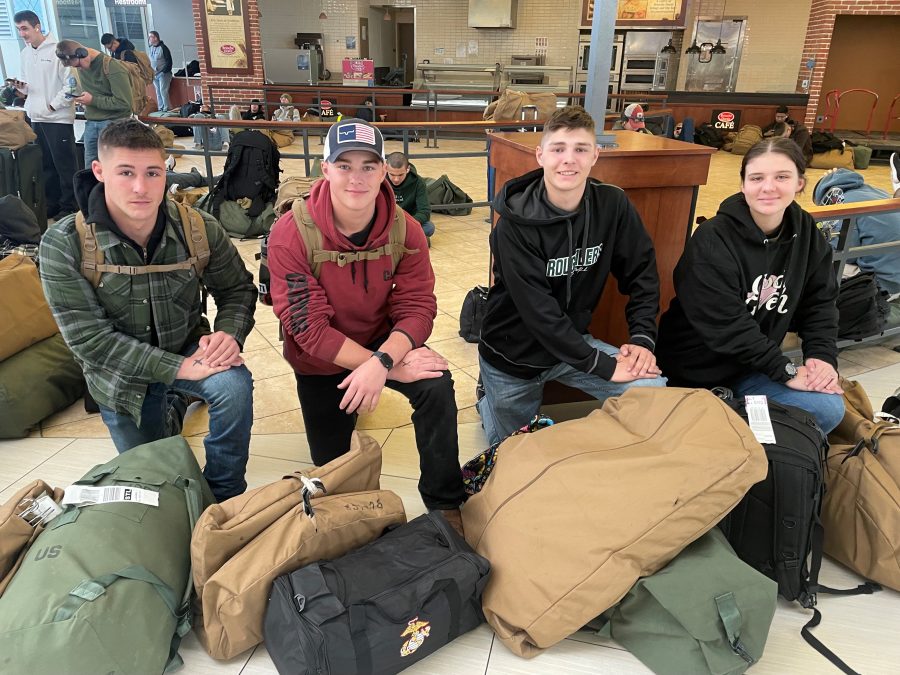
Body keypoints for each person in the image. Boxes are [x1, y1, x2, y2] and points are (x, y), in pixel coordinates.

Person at [38, 119, 257, 502]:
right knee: (159, 482)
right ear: (100, 171)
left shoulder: (198, 228)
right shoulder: (65, 243)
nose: (141, 187)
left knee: (234, 387)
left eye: (152, 172)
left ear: (165, 170)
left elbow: (237, 289)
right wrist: (176, 370)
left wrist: (227, 335)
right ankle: (173, 400)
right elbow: (91, 340)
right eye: (126, 172)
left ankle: (225, 494)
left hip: (186, 347)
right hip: (121, 379)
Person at [265, 118, 466, 535]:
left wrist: (384, 358)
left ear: (383, 172)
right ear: (325, 169)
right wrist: (385, 366)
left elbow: (417, 306)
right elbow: (308, 328)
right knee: (334, 475)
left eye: (368, 165)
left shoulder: (406, 229)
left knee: (436, 384)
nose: (357, 177)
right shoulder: (291, 233)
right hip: (320, 359)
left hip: (381, 339)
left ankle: (445, 501)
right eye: (344, 165)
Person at [476, 105, 665, 446]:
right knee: (516, 453)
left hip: (573, 345)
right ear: (540, 155)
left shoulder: (612, 205)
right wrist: (603, 366)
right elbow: (540, 314)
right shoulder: (513, 228)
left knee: (651, 390)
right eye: (558, 149)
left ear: (595, 155)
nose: (569, 160)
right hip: (512, 357)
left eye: (580, 149)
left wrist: (641, 339)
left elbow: (643, 274)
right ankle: (488, 399)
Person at [656, 137, 844, 433]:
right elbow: (727, 326)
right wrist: (785, 370)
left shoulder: (806, 232)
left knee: (828, 408)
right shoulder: (712, 239)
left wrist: (821, 358)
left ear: (800, 183)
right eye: (757, 178)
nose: (768, 187)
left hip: (752, 370)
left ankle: (738, 426)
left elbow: (819, 303)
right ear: (743, 185)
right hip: (692, 371)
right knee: (711, 431)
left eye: (782, 177)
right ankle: (721, 421)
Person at [13, 11, 78, 220]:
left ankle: (70, 206)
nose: (22, 34)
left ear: (37, 26)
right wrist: (21, 88)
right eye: (19, 29)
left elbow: (72, 86)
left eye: (25, 28)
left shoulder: (58, 51)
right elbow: (30, 87)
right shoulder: (25, 54)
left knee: (64, 164)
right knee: (46, 165)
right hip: (36, 117)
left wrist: (52, 106)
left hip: (57, 118)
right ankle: (53, 203)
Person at [814, 167, 900, 300]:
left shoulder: (842, 202)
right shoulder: (877, 192)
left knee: (820, 263)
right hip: (895, 274)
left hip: (883, 286)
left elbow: (841, 251)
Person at [55, 39, 133, 166]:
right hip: (91, 123)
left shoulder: (113, 67)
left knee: (114, 167)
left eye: (78, 66)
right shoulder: (81, 67)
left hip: (114, 124)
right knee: (90, 170)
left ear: (83, 53)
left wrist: (93, 100)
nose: (78, 69)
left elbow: (125, 103)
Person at [386, 152, 434, 239]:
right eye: (392, 175)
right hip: (387, 222)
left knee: (429, 227)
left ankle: (396, 238)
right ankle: (411, 239)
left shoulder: (418, 182)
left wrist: (404, 223)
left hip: (409, 221)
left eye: (400, 175)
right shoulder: (379, 181)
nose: (396, 179)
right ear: (385, 168)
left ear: (407, 169)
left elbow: (425, 211)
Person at [147, 31, 173, 112]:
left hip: (163, 74)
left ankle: (167, 108)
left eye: (151, 36)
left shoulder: (163, 48)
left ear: (155, 38)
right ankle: (160, 107)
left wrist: (163, 72)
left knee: (163, 91)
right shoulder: (151, 48)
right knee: (158, 91)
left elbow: (169, 62)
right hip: (154, 74)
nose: (149, 38)